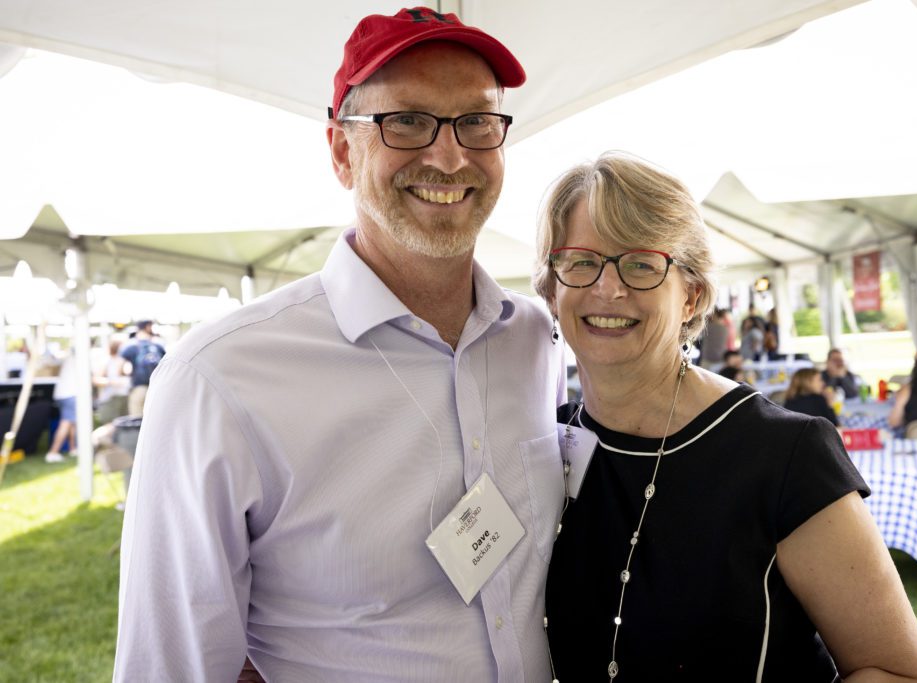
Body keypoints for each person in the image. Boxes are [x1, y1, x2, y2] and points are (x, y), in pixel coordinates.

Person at [114, 8, 565, 682]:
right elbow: (169, 665)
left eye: (477, 121)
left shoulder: (534, 337)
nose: (449, 156)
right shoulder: (219, 380)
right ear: (340, 151)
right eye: (406, 121)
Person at [535, 152, 917, 681]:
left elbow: (898, 672)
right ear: (550, 289)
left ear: (692, 295)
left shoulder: (785, 455)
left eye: (640, 264)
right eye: (582, 261)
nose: (608, 288)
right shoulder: (542, 444)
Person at [118, 320, 166, 416]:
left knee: (137, 421)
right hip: (159, 389)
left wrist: (130, 374)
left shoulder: (130, 345)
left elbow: (120, 369)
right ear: (148, 327)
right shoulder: (158, 345)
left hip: (139, 388)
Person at [44, 351, 77, 463]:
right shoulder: (79, 358)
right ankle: (53, 452)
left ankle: (73, 449)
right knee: (66, 422)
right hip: (70, 393)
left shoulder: (70, 357)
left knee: (72, 422)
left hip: (63, 393)